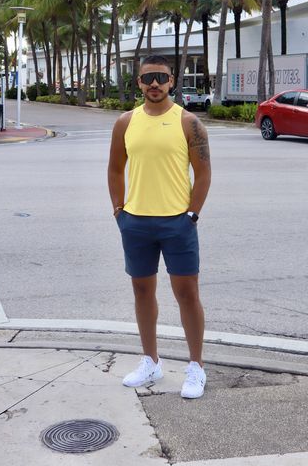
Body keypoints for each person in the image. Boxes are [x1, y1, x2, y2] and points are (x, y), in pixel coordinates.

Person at [108, 55, 211, 399]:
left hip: (177, 223)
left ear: (172, 81)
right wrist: (119, 211)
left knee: (187, 294)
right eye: (148, 77)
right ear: (139, 82)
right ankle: (151, 361)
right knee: (142, 291)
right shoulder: (125, 122)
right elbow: (115, 169)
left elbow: (203, 173)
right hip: (136, 222)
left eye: (161, 77)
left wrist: (192, 215)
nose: (155, 83)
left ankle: (196, 366)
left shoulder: (189, 122)